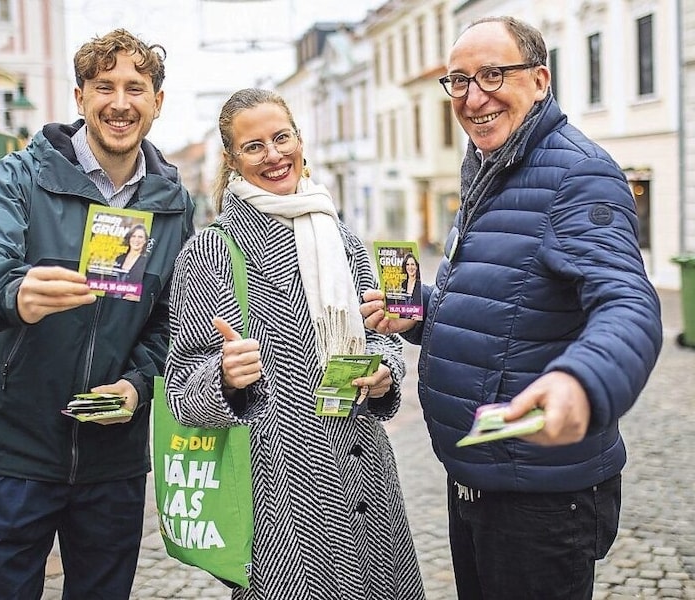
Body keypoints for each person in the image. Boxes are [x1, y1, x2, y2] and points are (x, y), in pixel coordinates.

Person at [361, 16, 662, 600]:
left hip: (541, 493)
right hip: (479, 473)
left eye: (493, 74)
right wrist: (421, 310)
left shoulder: (579, 173)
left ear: (540, 80)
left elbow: (629, 300)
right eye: (459, 80)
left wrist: (583, 381)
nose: (474, 97)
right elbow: (505, 293)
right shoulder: (488, 166)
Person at [0, 29, 194, 600]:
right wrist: (15, 292)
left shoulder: (174, 203)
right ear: (80, 98)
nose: (120, 102)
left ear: (157, 102)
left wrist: (137, 385)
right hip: (16, 448)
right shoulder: (20, 176)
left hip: (114, 459)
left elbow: (171, 320)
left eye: (136, 87)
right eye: (103, 86)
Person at [164, 87, 425, 600]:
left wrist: (384, 373)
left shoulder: (341, 237)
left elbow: (382, 336)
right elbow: (180, 389)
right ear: (232, 159)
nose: (274, 155)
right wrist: (222, 377)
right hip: (281, 501)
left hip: (366, 482)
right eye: (254, 146)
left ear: (300, 140)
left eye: (281, 138)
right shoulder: (210, 252)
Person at [114, 223, 150, 301]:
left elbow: (149, 290)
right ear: (129, 238)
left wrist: (139, 298)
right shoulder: (119, 258)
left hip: (130, 306)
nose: (136, 240)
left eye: (140, 237)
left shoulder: (146, 262)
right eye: (133, 236)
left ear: (145, 241)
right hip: (110, 302)